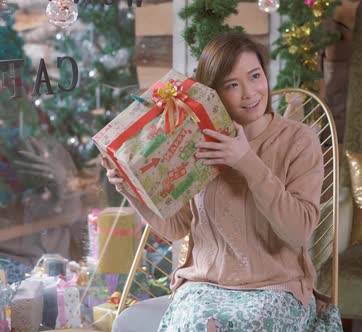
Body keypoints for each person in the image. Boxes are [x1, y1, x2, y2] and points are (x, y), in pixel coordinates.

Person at [103, 31, 343, 331]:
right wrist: (132, 189)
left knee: (254, 323)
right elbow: (177, 227)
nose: (250, 93)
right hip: (205, 284)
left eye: (255, 76)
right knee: (200, 324)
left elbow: (298, 232)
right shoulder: (195, 142)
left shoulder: (298, 140)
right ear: (212, 93)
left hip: (275, 287)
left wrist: (246, 161)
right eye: (232, 84)